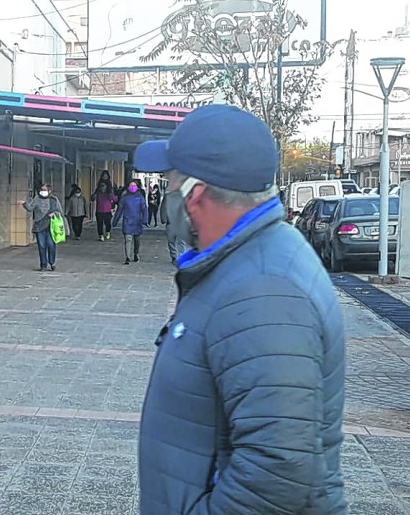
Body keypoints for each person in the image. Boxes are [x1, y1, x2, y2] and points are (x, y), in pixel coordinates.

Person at [133, 104, 346, 514]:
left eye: (170, 182)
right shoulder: (242, 261)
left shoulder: (264, 289)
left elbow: (277, 470)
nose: (168, 195)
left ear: (195, 194)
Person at [20, 184, 63, 271]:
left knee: (51, 245)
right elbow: (30, 208)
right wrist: (24, 204)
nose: (42, 191)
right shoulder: (37, 199)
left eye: (44, 190)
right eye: (41, 189)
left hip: (51, 226)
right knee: (42, 246)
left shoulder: (54, 200)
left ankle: (52, 262)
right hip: (39, 226)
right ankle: (43, 265)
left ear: (49, 191)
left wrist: (54, 214)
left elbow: (60, 212)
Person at [112, 180, 149, 265]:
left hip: (137, 221)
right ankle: (127, 257)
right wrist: (115, 220)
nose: (132, 187)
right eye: (131, 185)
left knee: (137, 239)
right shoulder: (124, 198)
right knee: (128, 239)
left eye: (134, 186)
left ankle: (136, 253)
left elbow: (144, 209)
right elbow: (119, 210)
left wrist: (145, 220)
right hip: (127, 221)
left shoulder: (140, 198)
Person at [159, 188, 190, 265]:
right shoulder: (168, 196)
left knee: (181, 241)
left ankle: (181, 256)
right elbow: (163, 208)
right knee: (171, 240)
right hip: (171, 222)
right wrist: (164, 219)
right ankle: (174, 256)